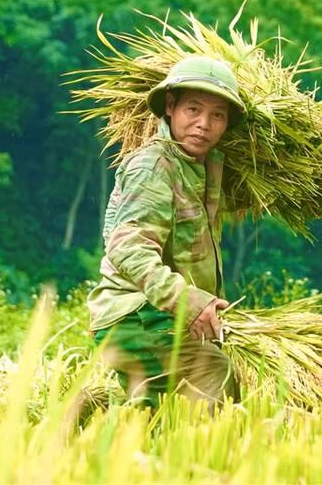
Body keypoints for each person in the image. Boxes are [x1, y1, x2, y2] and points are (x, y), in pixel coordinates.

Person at [86, 55, 245, 410]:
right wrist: (188, 300)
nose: (204, 124)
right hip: (138, 316)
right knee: (215, 377)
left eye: (217, 115)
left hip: (160, 319)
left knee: (158, 413)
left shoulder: (209, 169)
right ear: (170, 107)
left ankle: (95, 417)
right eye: (193, 109)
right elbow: (127, 248)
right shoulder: (153, 165)